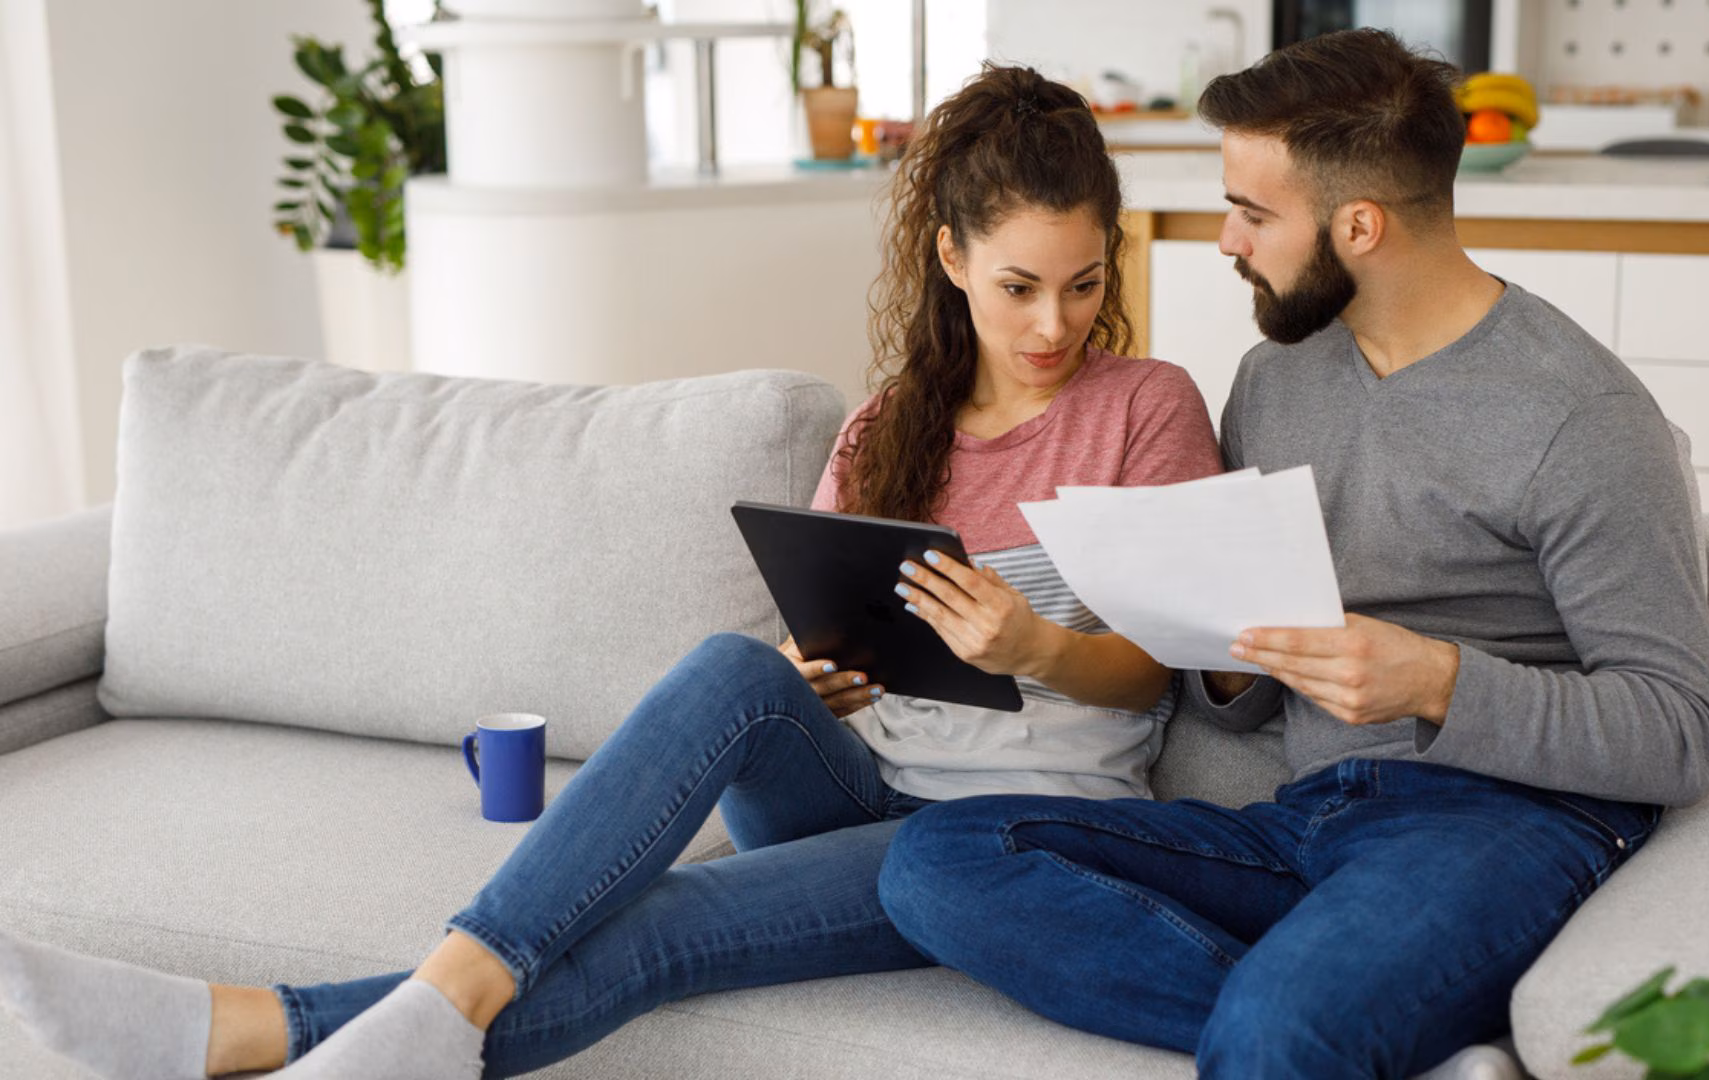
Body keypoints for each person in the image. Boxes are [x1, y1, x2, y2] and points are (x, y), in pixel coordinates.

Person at [0, 65, 1221, 1080]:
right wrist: (823, 673)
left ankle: (271, 1025)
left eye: (1084, 284)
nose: (1054, 326)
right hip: (863, 778)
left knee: (659, 930)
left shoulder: (1148, 410)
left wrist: (1038, 651)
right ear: (953, 259)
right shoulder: (888, 426)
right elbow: (818, 644)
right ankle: (404, 1007)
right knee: (733, 671)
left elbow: (1158, 673)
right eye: (1019, 287)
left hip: (1013, 833)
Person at [875, 29, 1709, 1080]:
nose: (1228, 238)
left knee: (1283, 1032)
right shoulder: (1279, 380)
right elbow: (1242, 690)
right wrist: (1228, 663)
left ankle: (1317, 1027)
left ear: (1356, 226)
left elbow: (1680, 731)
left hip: (1500, 823)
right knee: (937, 863)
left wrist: (1439, 680)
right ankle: (1384, 1039)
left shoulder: (1579, 413)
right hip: (1309, 821)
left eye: (1254, 212)